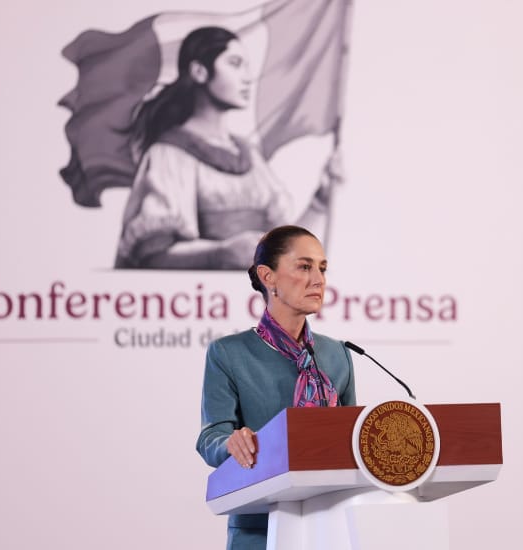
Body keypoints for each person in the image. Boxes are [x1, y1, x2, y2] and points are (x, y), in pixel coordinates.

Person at [114, 26, 335, 269]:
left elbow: (286, 253)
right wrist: (220, 254)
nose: (247, 77)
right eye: (235, 63)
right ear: (199, 71)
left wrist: (320, 201)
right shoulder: (170, 154)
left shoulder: (249, 155)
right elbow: (153, 255)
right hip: (198, 301)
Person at [196, 225, 356, 549]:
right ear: (268, 277)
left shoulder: (338, 355)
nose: (319, 279)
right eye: (304, 266)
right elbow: (210, 437)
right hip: (259, 531)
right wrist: (232, 442)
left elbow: (351, 441)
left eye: (322, 269)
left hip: (330, 529)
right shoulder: (229, 353)